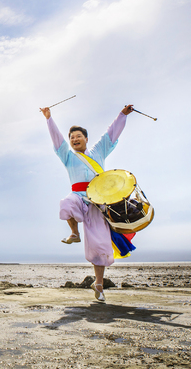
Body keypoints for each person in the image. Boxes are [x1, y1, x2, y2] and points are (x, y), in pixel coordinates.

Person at [41, 104, 135, 302]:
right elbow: (57, 139)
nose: (74, 139)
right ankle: (74, 233)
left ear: (86, 139)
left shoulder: (98, 152)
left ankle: (99, 285)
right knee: (66, 204)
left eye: (78, 136)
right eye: (72, 137)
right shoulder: (67, 157)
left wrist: (122, 115)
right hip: (77, 197)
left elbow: (110, 135)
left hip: (98, 203)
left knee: (99, 245)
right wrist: (49, 119)